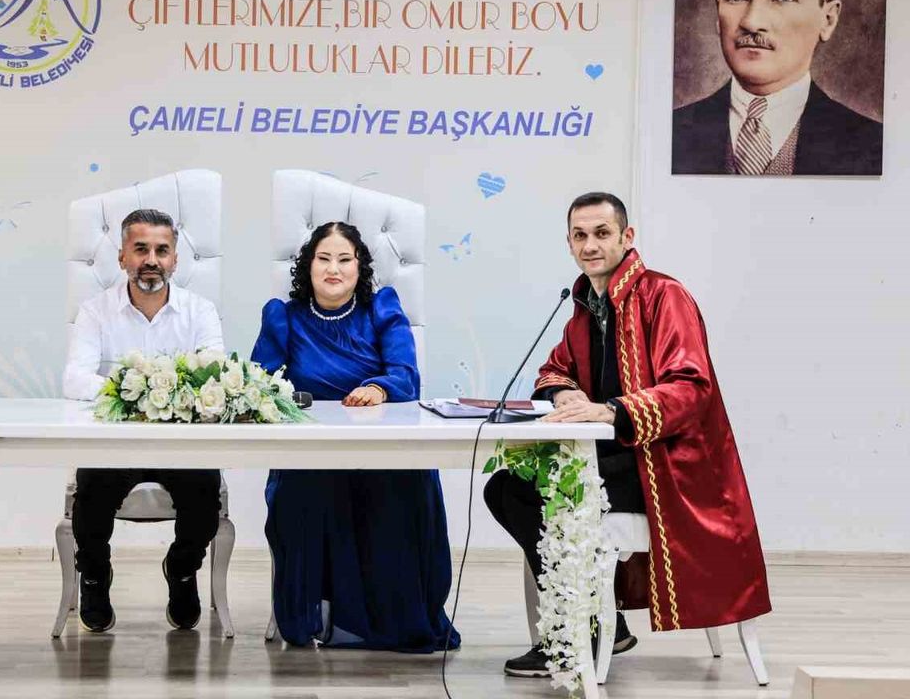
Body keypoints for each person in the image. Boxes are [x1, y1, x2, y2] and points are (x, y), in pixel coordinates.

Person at [484, 192, 771, 677]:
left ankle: (584, 628)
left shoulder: (665, 296)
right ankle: (597, 621)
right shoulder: (585, 306)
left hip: (672, 467)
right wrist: (565, 393)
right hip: (622, 457)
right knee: (508, 487)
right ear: (569, 243)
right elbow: (554, 369)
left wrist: (611, 409)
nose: (590, 245)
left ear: (627, 237)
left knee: (536, 492)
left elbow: (691, 387)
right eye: (580, 235)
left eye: (602, 233)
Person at [250, 221, 460, 653]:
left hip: (381, 448)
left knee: (407, 480)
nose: (333, 269)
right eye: (323, 259)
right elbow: (261, 384)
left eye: (344, 260)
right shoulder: (282, 317)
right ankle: (321, 616)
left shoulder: (382, 308)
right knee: (304, 488)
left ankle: (396, 618)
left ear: (359, 266)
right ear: (307, 266)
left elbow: (406, 375)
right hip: (311, 451)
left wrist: (378, 388)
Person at [62, 208, 224, 633]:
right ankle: (94, 575)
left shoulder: (201, 311)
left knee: (205, 495)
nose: (151, 260)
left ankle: (182, 568)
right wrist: (142, 392)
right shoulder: (95, 311)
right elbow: (74, 379)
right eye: (140, 249)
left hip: (181, 444)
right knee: (91, 494)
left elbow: (213, 374)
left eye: (161, 250)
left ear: (175, 260)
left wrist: (145, 392)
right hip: (115, 444)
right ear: (122, 257)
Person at [672, 0, 882, 175]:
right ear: (718, 13)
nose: (752, 22)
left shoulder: (875, 147)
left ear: (828, 20)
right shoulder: (669, 134)